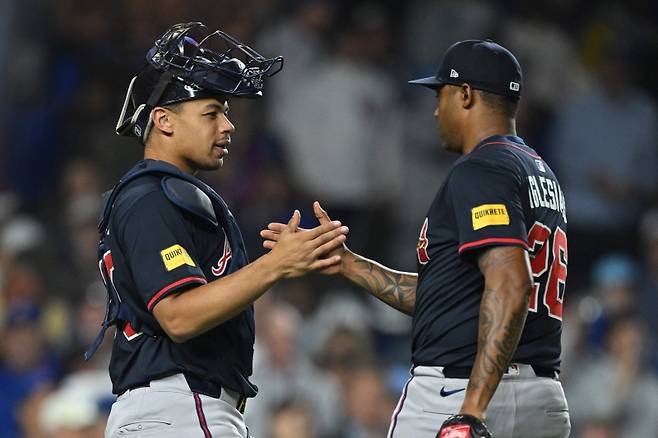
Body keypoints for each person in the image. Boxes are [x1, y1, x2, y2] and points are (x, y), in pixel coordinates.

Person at [262, 40, 570, 437]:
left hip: (461, 388)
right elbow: (449, 300)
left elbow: (511, 281)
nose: (436, 109)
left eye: (440, 94)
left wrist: (472, 410)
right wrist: (348, 263)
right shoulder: (537, 171)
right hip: (540, 399)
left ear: (465, 94)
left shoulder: (482, 169)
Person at [87, 22, 349, 438]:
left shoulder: (165, 194)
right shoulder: (150, 196)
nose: (228, 126)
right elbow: (178, 315)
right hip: (180, 409)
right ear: (164, 120)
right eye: (211, 112)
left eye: (225, 113)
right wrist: (275, 266)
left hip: (171, 410)